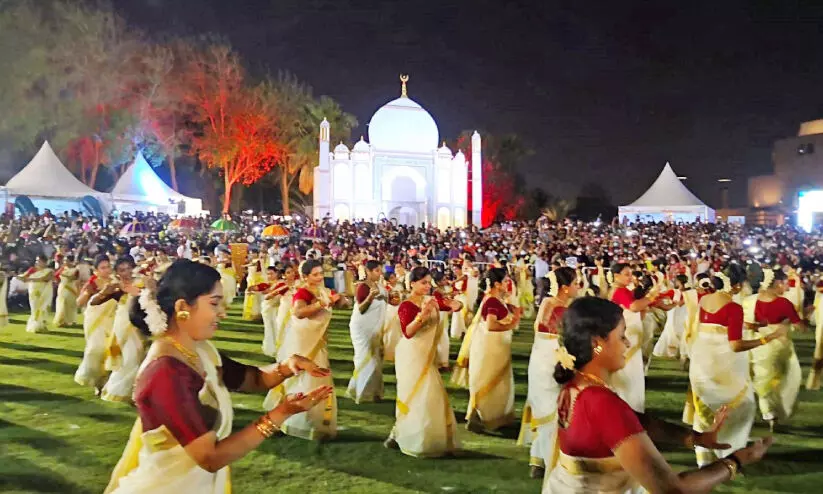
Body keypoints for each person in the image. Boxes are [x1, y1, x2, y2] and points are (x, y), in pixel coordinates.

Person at [104, 259, 333, 493]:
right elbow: (209, 457)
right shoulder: (166, 372)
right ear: (183, 307)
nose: (222, 313)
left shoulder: (200, 351)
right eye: (214, 303)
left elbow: (252, 379)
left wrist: (287, 366)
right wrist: (281, 413)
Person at [544, 296, 773, 493]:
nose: (628, 343)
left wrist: (695, 438)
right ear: (597, 344)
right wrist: (738, 460)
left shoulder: (578, 383)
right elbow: (673, 489)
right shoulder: (600, 401)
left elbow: (636, 422)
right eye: (622, 336)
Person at [689, 270, 769, 466]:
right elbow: (735, 345)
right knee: (743, 405)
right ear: (736, 285)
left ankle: (704, 458)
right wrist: (765, 339)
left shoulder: (704, 300)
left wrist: (750, 325)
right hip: (724, 366)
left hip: (702, 363)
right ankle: (730, 453)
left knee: (705, 410)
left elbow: (716, 325)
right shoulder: (734, 307)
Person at [385, 266, 460, 457]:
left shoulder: (431, 300)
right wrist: (422, 316)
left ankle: (403, 435)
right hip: (411, 355)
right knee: (416, 395)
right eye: (423, 282)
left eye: (429, 282)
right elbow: (408, 332)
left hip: (427, 356)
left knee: (429, 395)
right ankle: (409, 438)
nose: (427, 286)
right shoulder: (407, 306)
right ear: (412, 284)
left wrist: (453, 303)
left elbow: (456, 306)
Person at [263, 260, 340, 441]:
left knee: (319, 378)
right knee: (304, 380)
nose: (320, 277)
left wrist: (340, 299)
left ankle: (315, 422)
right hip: (304, 346)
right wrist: (322, 303)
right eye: (315, 274)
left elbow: (339, 302)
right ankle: (296, 421)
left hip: (318, 343)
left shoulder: (321, 290)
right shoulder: (303, 292)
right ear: (305, 277)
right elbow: (298, 312)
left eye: (321, 273)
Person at [518, 267, 578, 478]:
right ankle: (549, 461)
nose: (578, 287)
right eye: (575, 283)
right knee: (547, 407)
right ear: (564, 288)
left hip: (557, 356)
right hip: (546, 359)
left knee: (556, 407)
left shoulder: (567, 306)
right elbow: (541, 326)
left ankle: (540, 460)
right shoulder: (549, 303)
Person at [466, 267, 521, 433]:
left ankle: (489, 416)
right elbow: (490, 325)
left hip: (497, 348)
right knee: (490, 381)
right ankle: (483, 417)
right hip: (491, 350)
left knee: (498, 383)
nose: (508, 283)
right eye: (505, 281)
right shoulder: (491, 301)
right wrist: (513, 322)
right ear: (497, 284)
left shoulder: (496, 299)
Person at [749, 268, 804, 430]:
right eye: (785, 282)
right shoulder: (783, 303)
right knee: (783, 380)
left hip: (759, 345)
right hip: (780, 346)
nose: (786, 286)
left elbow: (747, 323)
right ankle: (777, 410)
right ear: (778, 283)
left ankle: (768, 413)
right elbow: (799, 326)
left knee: (762, 379)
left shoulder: (751, 302)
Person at [607, 263, 657, 412]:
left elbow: (637, 310)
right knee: (627, 374)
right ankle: (627, 408)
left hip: (628, 337)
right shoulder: (619, 291)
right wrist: (652, 296)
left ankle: (628, 408)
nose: (630, 277)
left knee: (631, 373)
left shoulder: (624, 291)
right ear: (616, 276)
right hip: (624, 337)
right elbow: (633, 307)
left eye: (631, 274)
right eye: (626, 274)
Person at [99, 256, 145, 403]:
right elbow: (95, 301)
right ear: (117, 272)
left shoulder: (141, 282)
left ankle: (132, 390)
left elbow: (146, 297)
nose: (126, 272)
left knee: (137, 355)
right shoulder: (115, 287)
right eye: (122, 270)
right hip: (121, 323)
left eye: (128, 268)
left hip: (137, 323)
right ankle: (118, 390)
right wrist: (105, 292)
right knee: (127, 357)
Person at [346, 260, 388, 403]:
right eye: (376, 270)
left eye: (380, 270)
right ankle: (362, 392)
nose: (379, 273)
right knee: (365, 357)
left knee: (377, 358)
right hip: (362, 328)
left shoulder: (381, 287)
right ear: (368, 272)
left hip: (376, 327)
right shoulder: (362, 287)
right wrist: (371, 296)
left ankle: (375, 392)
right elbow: (361, 309)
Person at [74, 255, 117, 393]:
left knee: (111, 351)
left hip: (113, 320)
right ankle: (96, 380)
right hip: (96, 322)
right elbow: (79, 302)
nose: (106, 270)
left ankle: (106, 381)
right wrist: (87, 294)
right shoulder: (93, 283)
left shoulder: (116, 282)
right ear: (96, 270)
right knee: (96, 350)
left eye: (108, 266)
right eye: (103, 268)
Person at [20, 255, 54, 333]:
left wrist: (30, 279)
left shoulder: (49, 271)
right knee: (35, 308)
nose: (37, 262)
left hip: (45, 292)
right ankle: (35, 326)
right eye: (36, 260)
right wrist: (19, 276)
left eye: (39, 261)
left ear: (45, 262)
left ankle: (42, 325)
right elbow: (24, 278)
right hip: (34, 292)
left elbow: (45, 279)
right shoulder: (32, 269)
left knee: (44, 308)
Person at [261, 267, 288, 358]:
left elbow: (274, 296)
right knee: (269, 328)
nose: (269, 276)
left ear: (277, 273)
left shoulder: (281, 283)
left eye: (271, 273)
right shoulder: (269, 284)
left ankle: (279, 348)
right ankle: (271, 348)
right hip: (268, 310)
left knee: (277, 328)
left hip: (276, 309)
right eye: (268, 274)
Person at [53, 255, 80, 327]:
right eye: (64, 260)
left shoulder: (75, 270)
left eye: (66, 260)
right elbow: (55, 276)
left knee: (70, 304)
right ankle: (61, 320)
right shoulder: (62, 269)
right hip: (62, 288)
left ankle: (70, 320)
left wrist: (64, 275)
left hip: (71, 288)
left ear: (71, 261)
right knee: (62, 303)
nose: (65, 262)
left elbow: (73, 278)